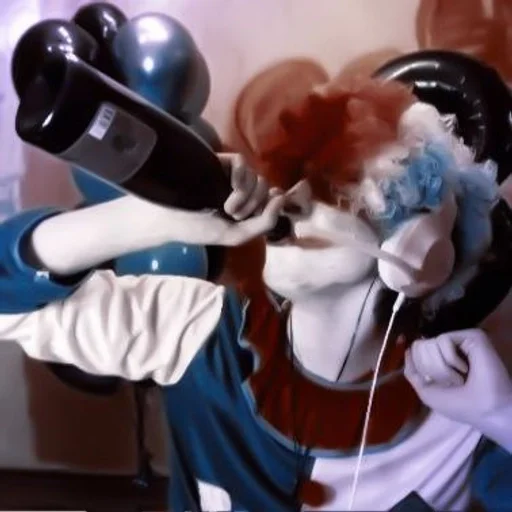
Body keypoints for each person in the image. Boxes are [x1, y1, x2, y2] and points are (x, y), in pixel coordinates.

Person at [0, 82, 511, 511]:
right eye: (299, 178)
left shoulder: (461, 415)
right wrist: (155, 218)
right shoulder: (196, 331)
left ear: (416, 254)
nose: (293, 198)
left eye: (338, 190)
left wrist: (502, 416)